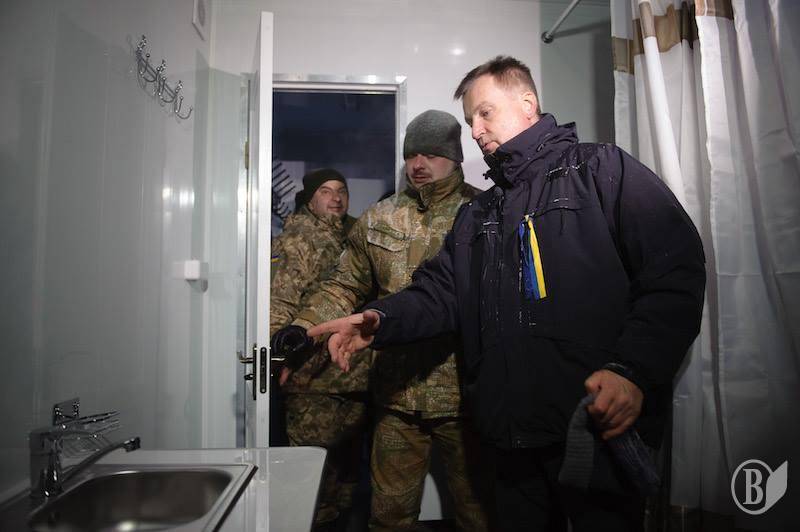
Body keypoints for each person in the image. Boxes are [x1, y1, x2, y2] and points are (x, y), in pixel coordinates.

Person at [309, 56, 706, 532]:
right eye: (470, 120)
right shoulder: (480, 214)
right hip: (511, 441)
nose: (476, 131)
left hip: (593, 428)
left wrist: (633, 371)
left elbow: (674, 271)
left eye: (485, 113)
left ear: (527, 103)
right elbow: (439, 293)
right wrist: (379, 320)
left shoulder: (600, 170)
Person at [274, 110, 490, 531]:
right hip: (395, 397)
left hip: (463, 397)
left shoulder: (483, 212)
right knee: (389, 518)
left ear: (454, 157)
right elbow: (343, 285)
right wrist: (302, 326)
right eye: (412, 155)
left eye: (431, 154)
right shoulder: (380, 218)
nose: (419, 164)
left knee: (478, 514)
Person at [269, 167, 367, 532]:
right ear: (310, 199)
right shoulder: (297, 239)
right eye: (326, 191)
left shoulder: (356, 235)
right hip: (312, 378)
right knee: (311, 477)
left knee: (347, 477)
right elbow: (279, 303)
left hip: (354, 374)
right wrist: (281, 358)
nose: (336, 197)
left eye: (341, 190)